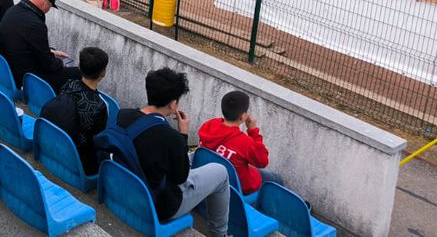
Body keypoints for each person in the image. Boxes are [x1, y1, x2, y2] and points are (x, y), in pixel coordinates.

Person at [114, 68, 229, 234]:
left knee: (189, 157)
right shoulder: (170, 137)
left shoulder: (123, 115)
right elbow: (180, 177)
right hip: (160, 204)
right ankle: (219, 233)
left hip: (128, 184)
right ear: (173, 104)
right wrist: (182, 134)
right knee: (221, 172)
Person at [41, 47, 109, 175]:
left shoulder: (69, 85)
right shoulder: (100, 105)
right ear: (103, 73)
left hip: (57, 147)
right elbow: (98, 140)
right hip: (79, 161)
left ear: (79, 67)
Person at [198, 91, 281, 195]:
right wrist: (253, 131)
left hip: (209, 177)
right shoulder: (244, 142)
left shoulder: (208, 125)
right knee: (275, 178)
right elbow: (262, 162)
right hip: (237, 187)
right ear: (242, 117)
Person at [0, 0, 70, 91]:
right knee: (76, 73)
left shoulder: (12, 10)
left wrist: (51, 52)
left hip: (6, 67)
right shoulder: (35, 24)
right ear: (46, 4)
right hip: (24, 78)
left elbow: (24, 44)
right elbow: (48, 64)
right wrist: (61, 63)